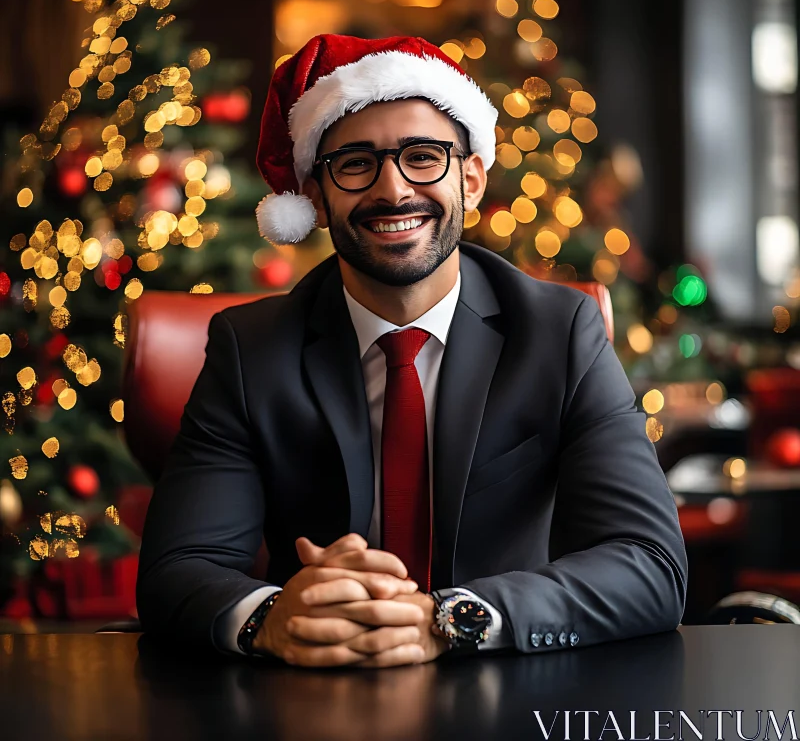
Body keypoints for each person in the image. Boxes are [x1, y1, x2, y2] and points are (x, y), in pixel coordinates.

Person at [136, 34, 687, 669]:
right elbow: (178, 568)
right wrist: (272, 616)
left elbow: (650, 566)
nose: (393, 190)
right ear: (315, 195)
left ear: (472, 179)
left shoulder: (561, 331)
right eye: (354, 163)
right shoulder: (251, 349)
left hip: (511, 695)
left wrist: (449, 618)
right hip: (315, 692)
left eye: (423, 157)